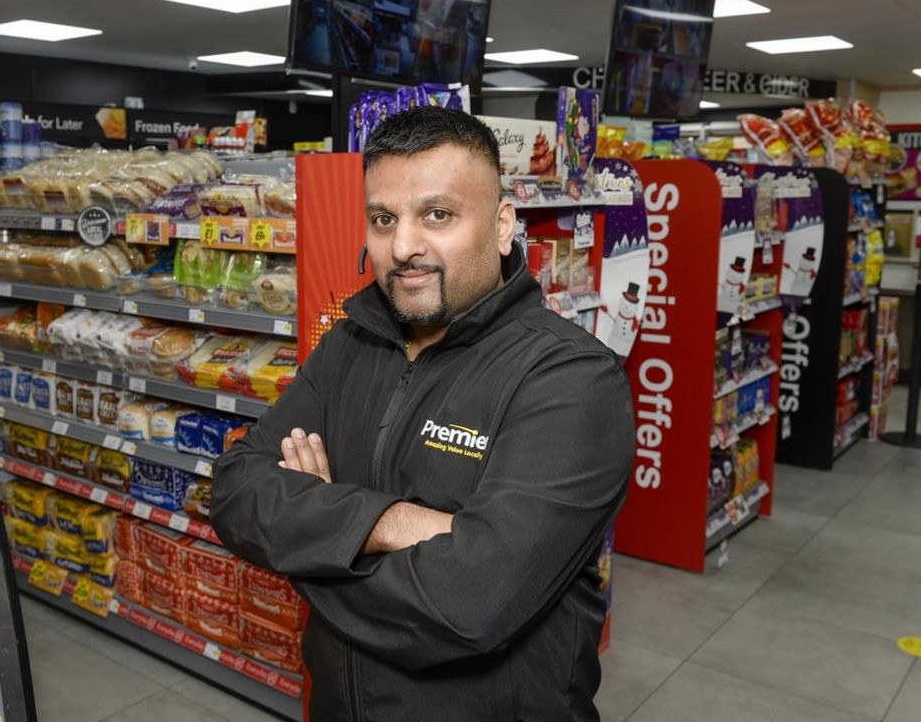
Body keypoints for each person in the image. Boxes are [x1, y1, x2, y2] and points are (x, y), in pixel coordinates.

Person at [211, 107, 634, 721]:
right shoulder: (347, 343)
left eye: (438, 215)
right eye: (384, 219)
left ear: (502, 225)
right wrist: (398, 525)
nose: (403, 247)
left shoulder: (572, 379)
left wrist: (308, 535)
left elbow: (471, 604)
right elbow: (234, 491)